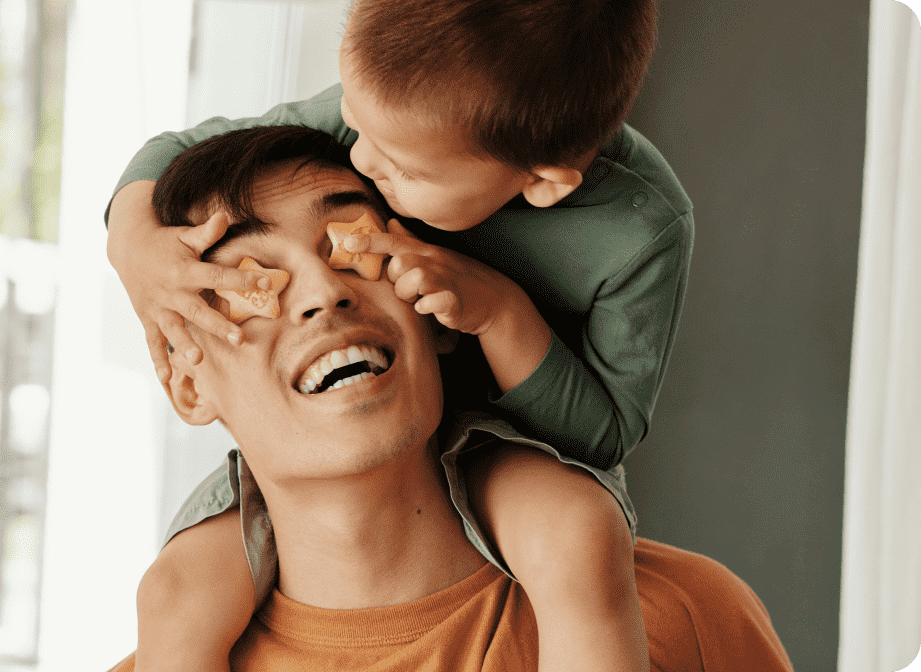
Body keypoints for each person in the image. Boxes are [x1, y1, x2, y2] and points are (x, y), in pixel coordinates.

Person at [107, 1, 692, 669]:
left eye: (398, 175)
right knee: (174, 592)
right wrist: (131, 241)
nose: (357, 157)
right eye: (352, 123)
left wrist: (500, 313)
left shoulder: (642, 232)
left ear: (542, 183)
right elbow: (177, 149)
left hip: (513, 443)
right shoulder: (388, 107)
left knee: (576, 531)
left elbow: (601, 434)